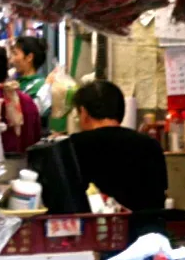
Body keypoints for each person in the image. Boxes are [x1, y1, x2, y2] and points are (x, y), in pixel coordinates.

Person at [70, 81, 168, 239]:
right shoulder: (150, 145)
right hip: (148, 240)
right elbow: (159, 199)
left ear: (83, 113)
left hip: (96, 241)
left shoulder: (72, 146)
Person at [11, 36, 51, 117]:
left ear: (29, 57)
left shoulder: (40, 86)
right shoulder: (16, 81)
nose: (12, 60)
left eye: (15, 54)